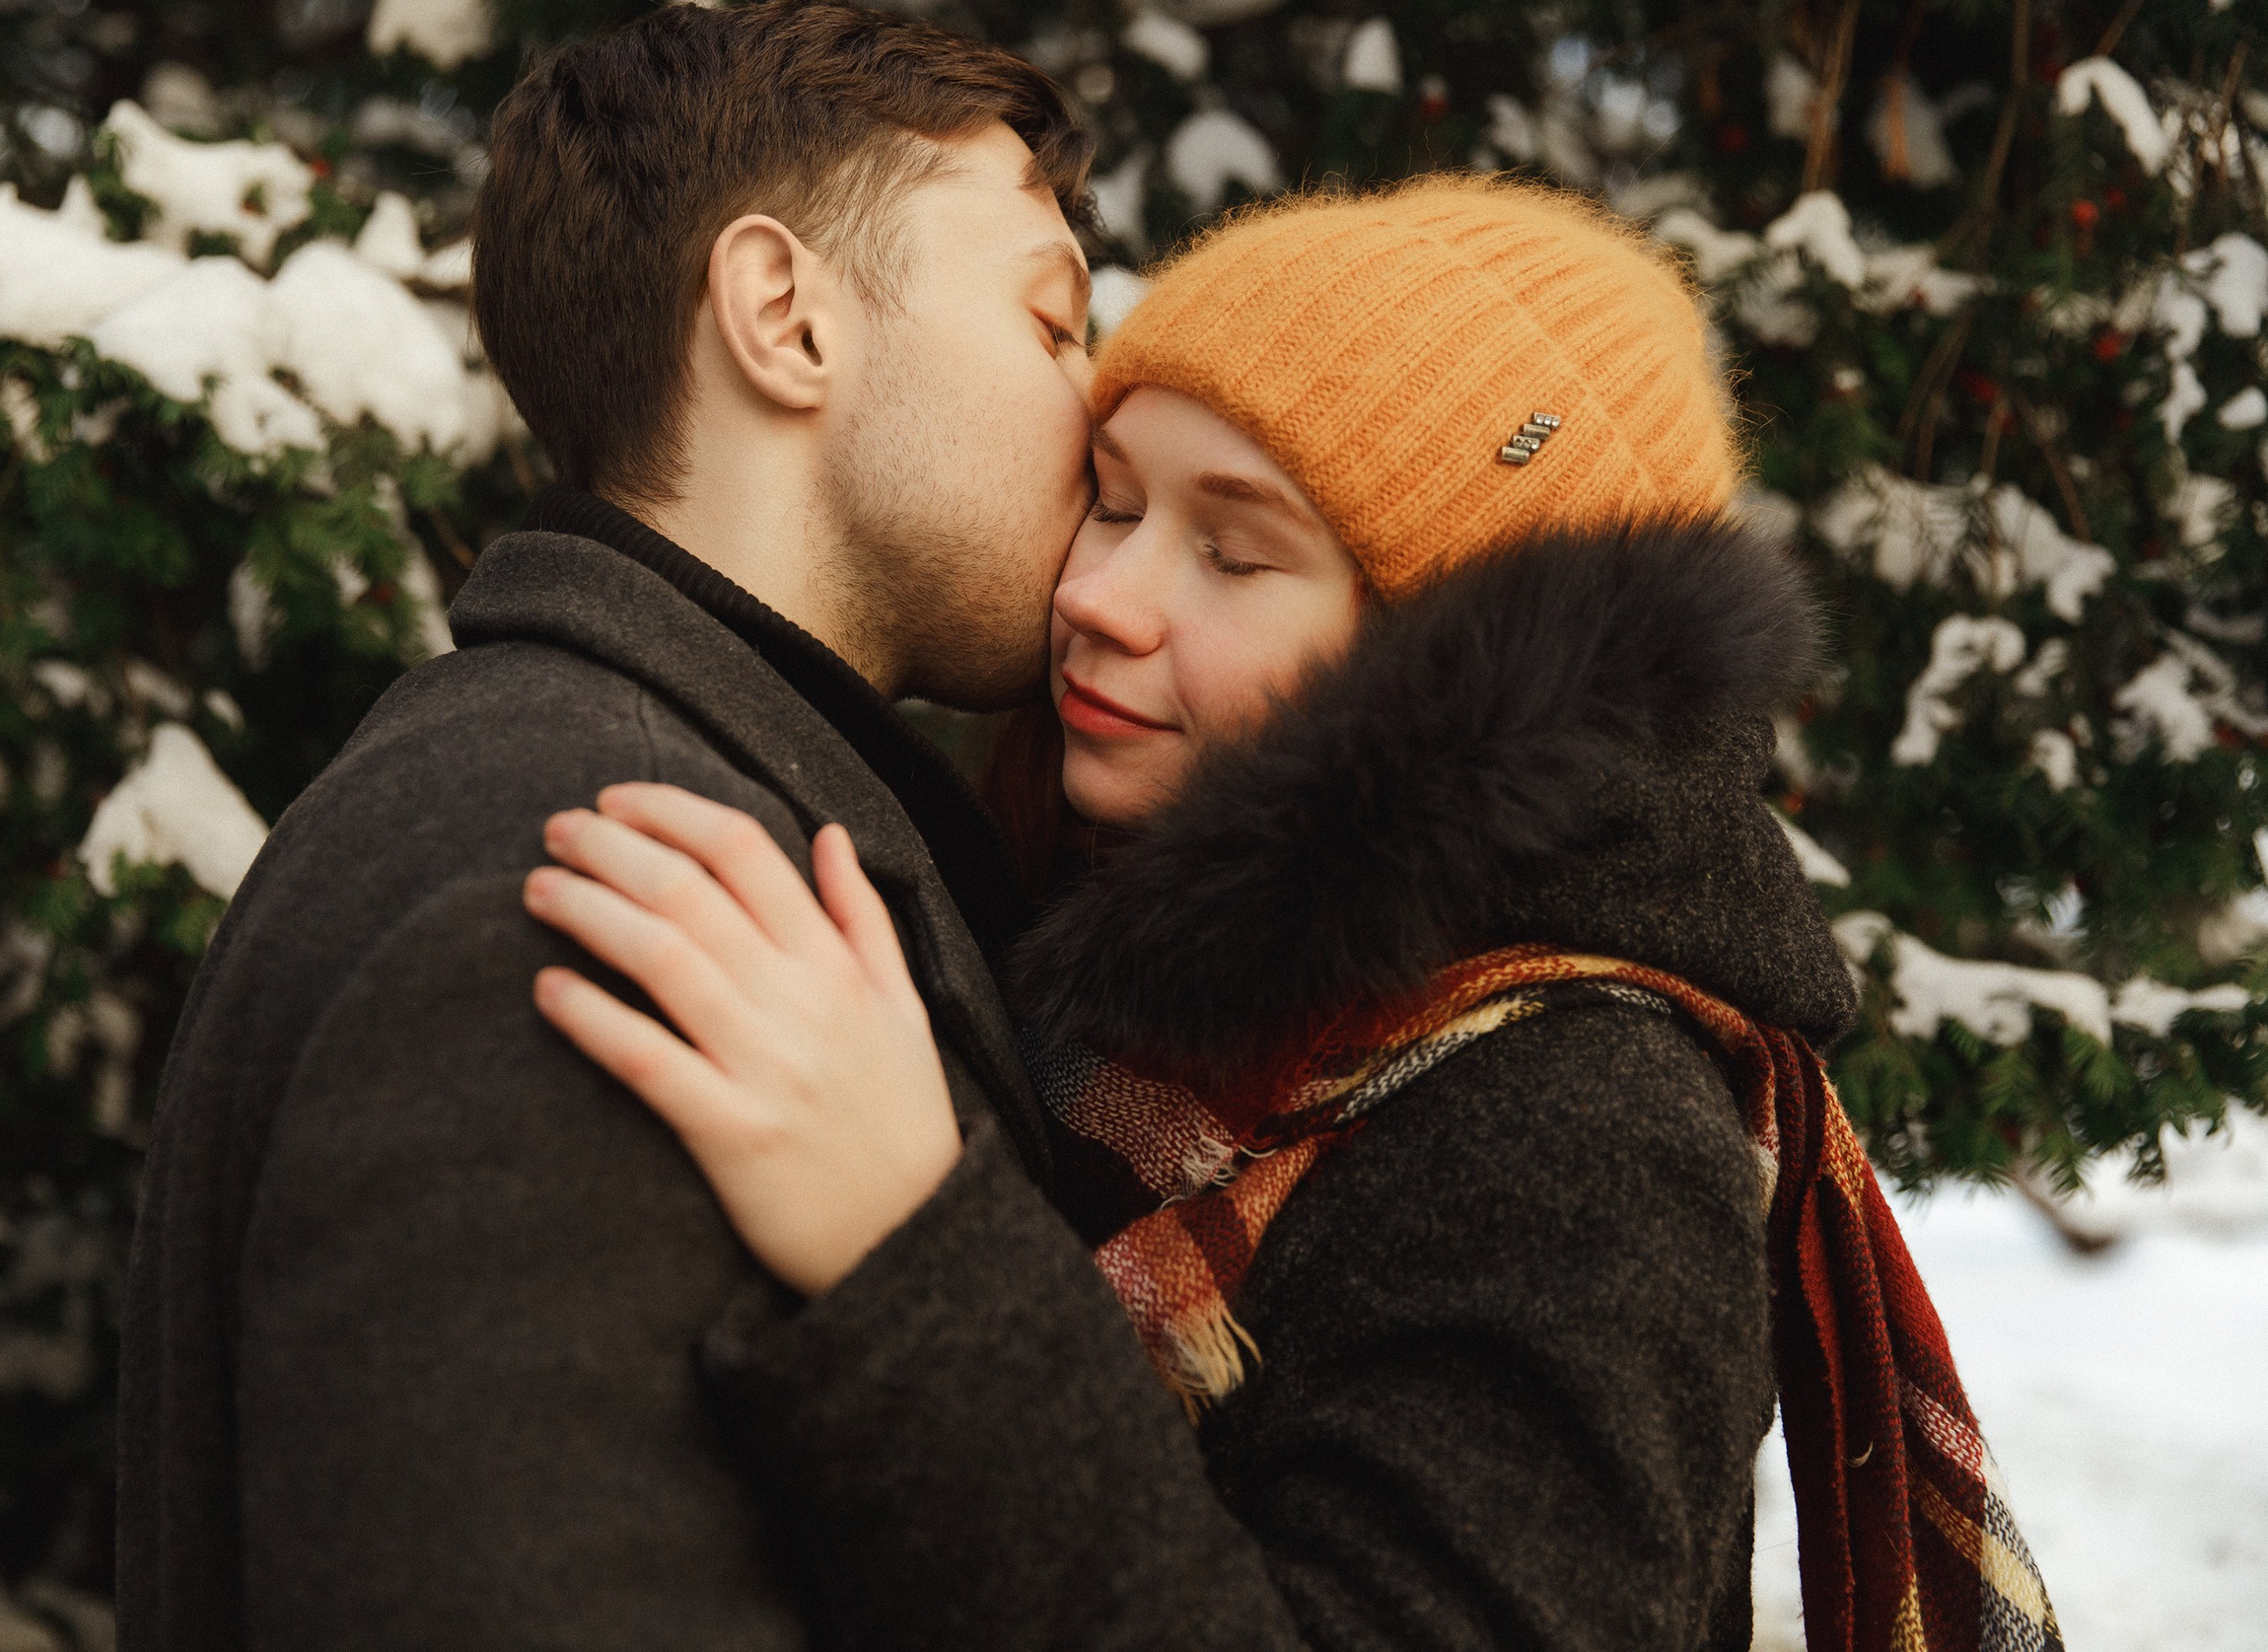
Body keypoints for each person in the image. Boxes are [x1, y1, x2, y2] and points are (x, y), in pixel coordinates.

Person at [524, 180, 2067, 1651]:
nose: (1101, 599)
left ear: (1453, 666)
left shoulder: (1574, 1128)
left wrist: (910, 1258)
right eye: (1113, 503)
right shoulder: (1133, 975)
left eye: (1234, 547)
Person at [115, 0, 1123, 1650]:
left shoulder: (612, 795)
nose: (1096, 407)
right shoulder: (592, 887)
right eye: (1050, 320)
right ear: (785, 315)